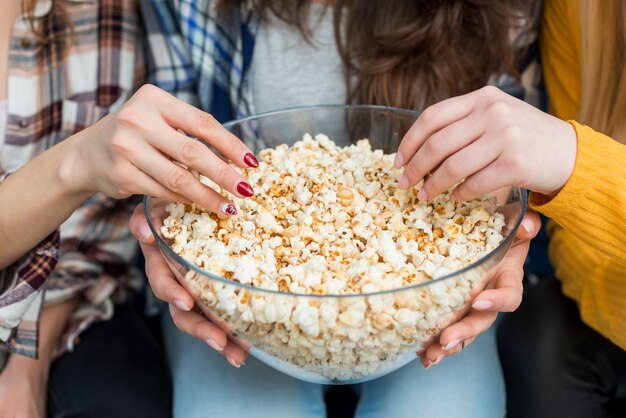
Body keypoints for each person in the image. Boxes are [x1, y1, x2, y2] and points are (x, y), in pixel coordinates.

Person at [129, 0, 542, 416]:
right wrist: (169, 222)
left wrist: (498, 232)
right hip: (237, 298)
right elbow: (171, 154)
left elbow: (508, 142)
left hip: (432, 296)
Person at [0, 1, 254, 416]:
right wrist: (75, 163)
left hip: (67, 301)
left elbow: (94, 232)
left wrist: (30, 362)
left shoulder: (119, 17)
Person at [395, 0, 626, 416]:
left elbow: (562, 165)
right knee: (535, 338)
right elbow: (575, 239)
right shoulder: (583, 11)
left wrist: (574, 162)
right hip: (607, 302)